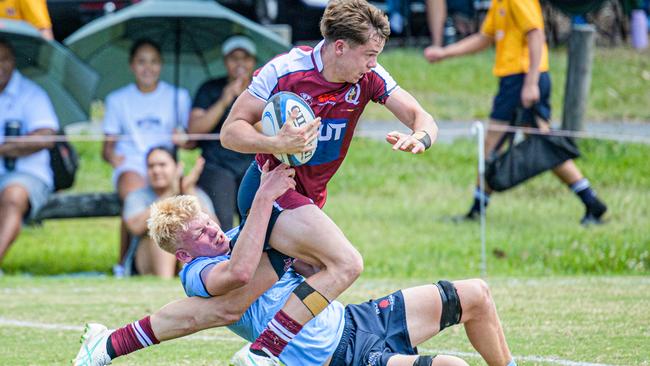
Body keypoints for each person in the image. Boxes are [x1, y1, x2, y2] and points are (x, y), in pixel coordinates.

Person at [221, 0, 438, 362]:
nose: (373, 63)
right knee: (346, 264)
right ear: (340, 46)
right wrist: (275, 143)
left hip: (309, 202)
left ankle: (109, 343)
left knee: (226, 305)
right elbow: (231, 132)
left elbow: (420, 115)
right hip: (272, 190)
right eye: (369, 54)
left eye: (377, 55)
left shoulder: (369, 77)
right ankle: (263, 353)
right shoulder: (285, 71)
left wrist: (420, 137)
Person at [73, 196, 518, 366]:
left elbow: (305, 252)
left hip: (354, 321)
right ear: (184, 253)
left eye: (209, 222)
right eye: (200, 235)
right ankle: (106, 346)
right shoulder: (198, 275)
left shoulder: (235, 237)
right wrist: (265, 197)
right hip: (338, 358)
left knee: (474, 294)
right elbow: (239, 275)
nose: (213, 232)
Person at [424, 0, 608, 225]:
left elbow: (536, 34)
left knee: (495, 142)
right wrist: (445, 53)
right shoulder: (499, 2)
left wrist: (531, 84)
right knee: (541, 144)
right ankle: (591, 202)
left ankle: (477, 210)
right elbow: (485, 37)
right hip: (514, 79)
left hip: (523, 78)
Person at [102, 38, 192, 270]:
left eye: (153, 62)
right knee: (135, 192)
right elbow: (107, 148)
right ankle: (124, 261)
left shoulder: (178, 96)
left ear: (161, 65)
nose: (147, 68)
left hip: (164, 161)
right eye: (141, 61)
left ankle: (184, 256)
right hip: (132, 162)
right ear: (132, 65)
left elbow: (190, 140)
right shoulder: (117, 99)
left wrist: (181, 139)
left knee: (184, 190)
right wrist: (113, 158)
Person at [0, 38, 58, 272]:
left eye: (3, 59)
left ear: (13, 61)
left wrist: (6, 147)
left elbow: (47, 136)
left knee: (13, 196)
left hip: (29, 175)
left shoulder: (32, 94)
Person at [188, 35, 257, 230]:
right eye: (234, 58)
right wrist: (224, 100)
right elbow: (195, 130)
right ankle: (223, 259)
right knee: (222, 223)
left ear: (252, 62)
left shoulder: (261, 89)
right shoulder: (209, 89)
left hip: (252, 163)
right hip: (217, 164)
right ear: (225, 61)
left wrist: (245, 101)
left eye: (245, 58)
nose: (240, 63)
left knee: (255, 221)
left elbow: (267, 130)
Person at [121, 145, 215, 278]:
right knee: (162, 235)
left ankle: (193, 278)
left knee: (189, 237)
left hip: (185, 256)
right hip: (144, 260)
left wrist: (188, 190)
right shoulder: (137, 196)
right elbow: (135, 227)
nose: (156, 170)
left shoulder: (195, 193)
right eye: (151, 166)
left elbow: (214, 227)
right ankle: (164, 282)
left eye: (162, 165)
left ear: (178, 168)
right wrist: (170, 193)